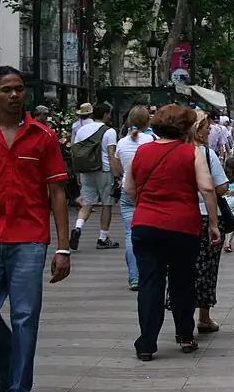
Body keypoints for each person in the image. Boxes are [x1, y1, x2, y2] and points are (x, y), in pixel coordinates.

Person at [0, 66, 72, 392]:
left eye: (19, 89)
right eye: (6, 90)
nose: (14, 95)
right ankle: (6, 372)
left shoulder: (42, 137)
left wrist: (62, 246)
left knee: (26, 316)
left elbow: (57, 192)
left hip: (29, 239)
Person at [125, 105, 219, 360]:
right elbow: (207, 189)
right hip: (182, 227)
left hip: (145, 225)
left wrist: (144, 207)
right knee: (182, 282)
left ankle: (146, 344)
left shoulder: (142, 151)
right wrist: (213, 223)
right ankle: (185, 336)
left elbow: (129, 188)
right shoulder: (193, 153)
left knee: (149, 284)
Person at [167, 110, 229, 335]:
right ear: (197, 128)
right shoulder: (205, 153)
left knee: (181, 269)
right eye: (206, 125)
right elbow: (221, 188)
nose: (209, 128)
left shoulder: (172, 152)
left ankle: (181, 319)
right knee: (207, 269)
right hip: (204, 215)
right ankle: (203, 316)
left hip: (177, 218)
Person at [112, 106, 156, 291]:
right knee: (152, 233)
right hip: (149, 192)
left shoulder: (121, 142)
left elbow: (117, 169)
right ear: (148, 121)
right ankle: (150, 272)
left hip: (127, 192)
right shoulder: (151, 141)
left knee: (131, 234)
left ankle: (134, 277)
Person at [70, 103, 119, 250]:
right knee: (107, 204)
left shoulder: (81, 130)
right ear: (104, 114)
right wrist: (116, 175)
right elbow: (111, 155)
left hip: (86, 170)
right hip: (103, 170)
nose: (110, 116)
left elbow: (76, 153)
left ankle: (78, 228)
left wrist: (78, 173)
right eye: (109, 113)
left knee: (86, 203)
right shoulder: (109, 132)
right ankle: (102, 238)